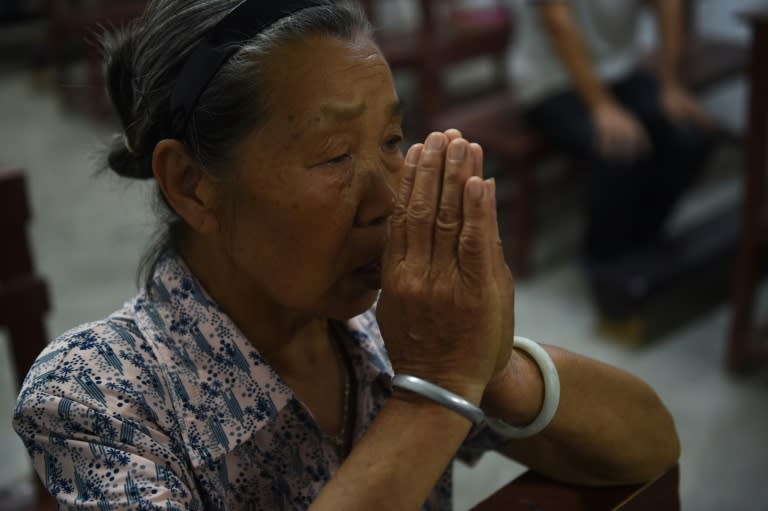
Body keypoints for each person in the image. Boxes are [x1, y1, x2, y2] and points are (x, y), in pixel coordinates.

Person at [14, 1, 680, 509]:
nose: (391, 196)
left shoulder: (379, 333)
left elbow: (649, 447)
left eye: (393, 137)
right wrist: (440, 389)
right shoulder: (97, 397)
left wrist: (490, 368)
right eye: (334, 155)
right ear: (192, 185)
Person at [510, 0, 714, 265]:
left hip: (620, 70)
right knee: (620, 151)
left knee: (690, 135)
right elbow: (557, 20)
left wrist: (671, 84)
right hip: (550, 81)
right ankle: (602, 261)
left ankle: (644, 241)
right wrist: (602, 107)